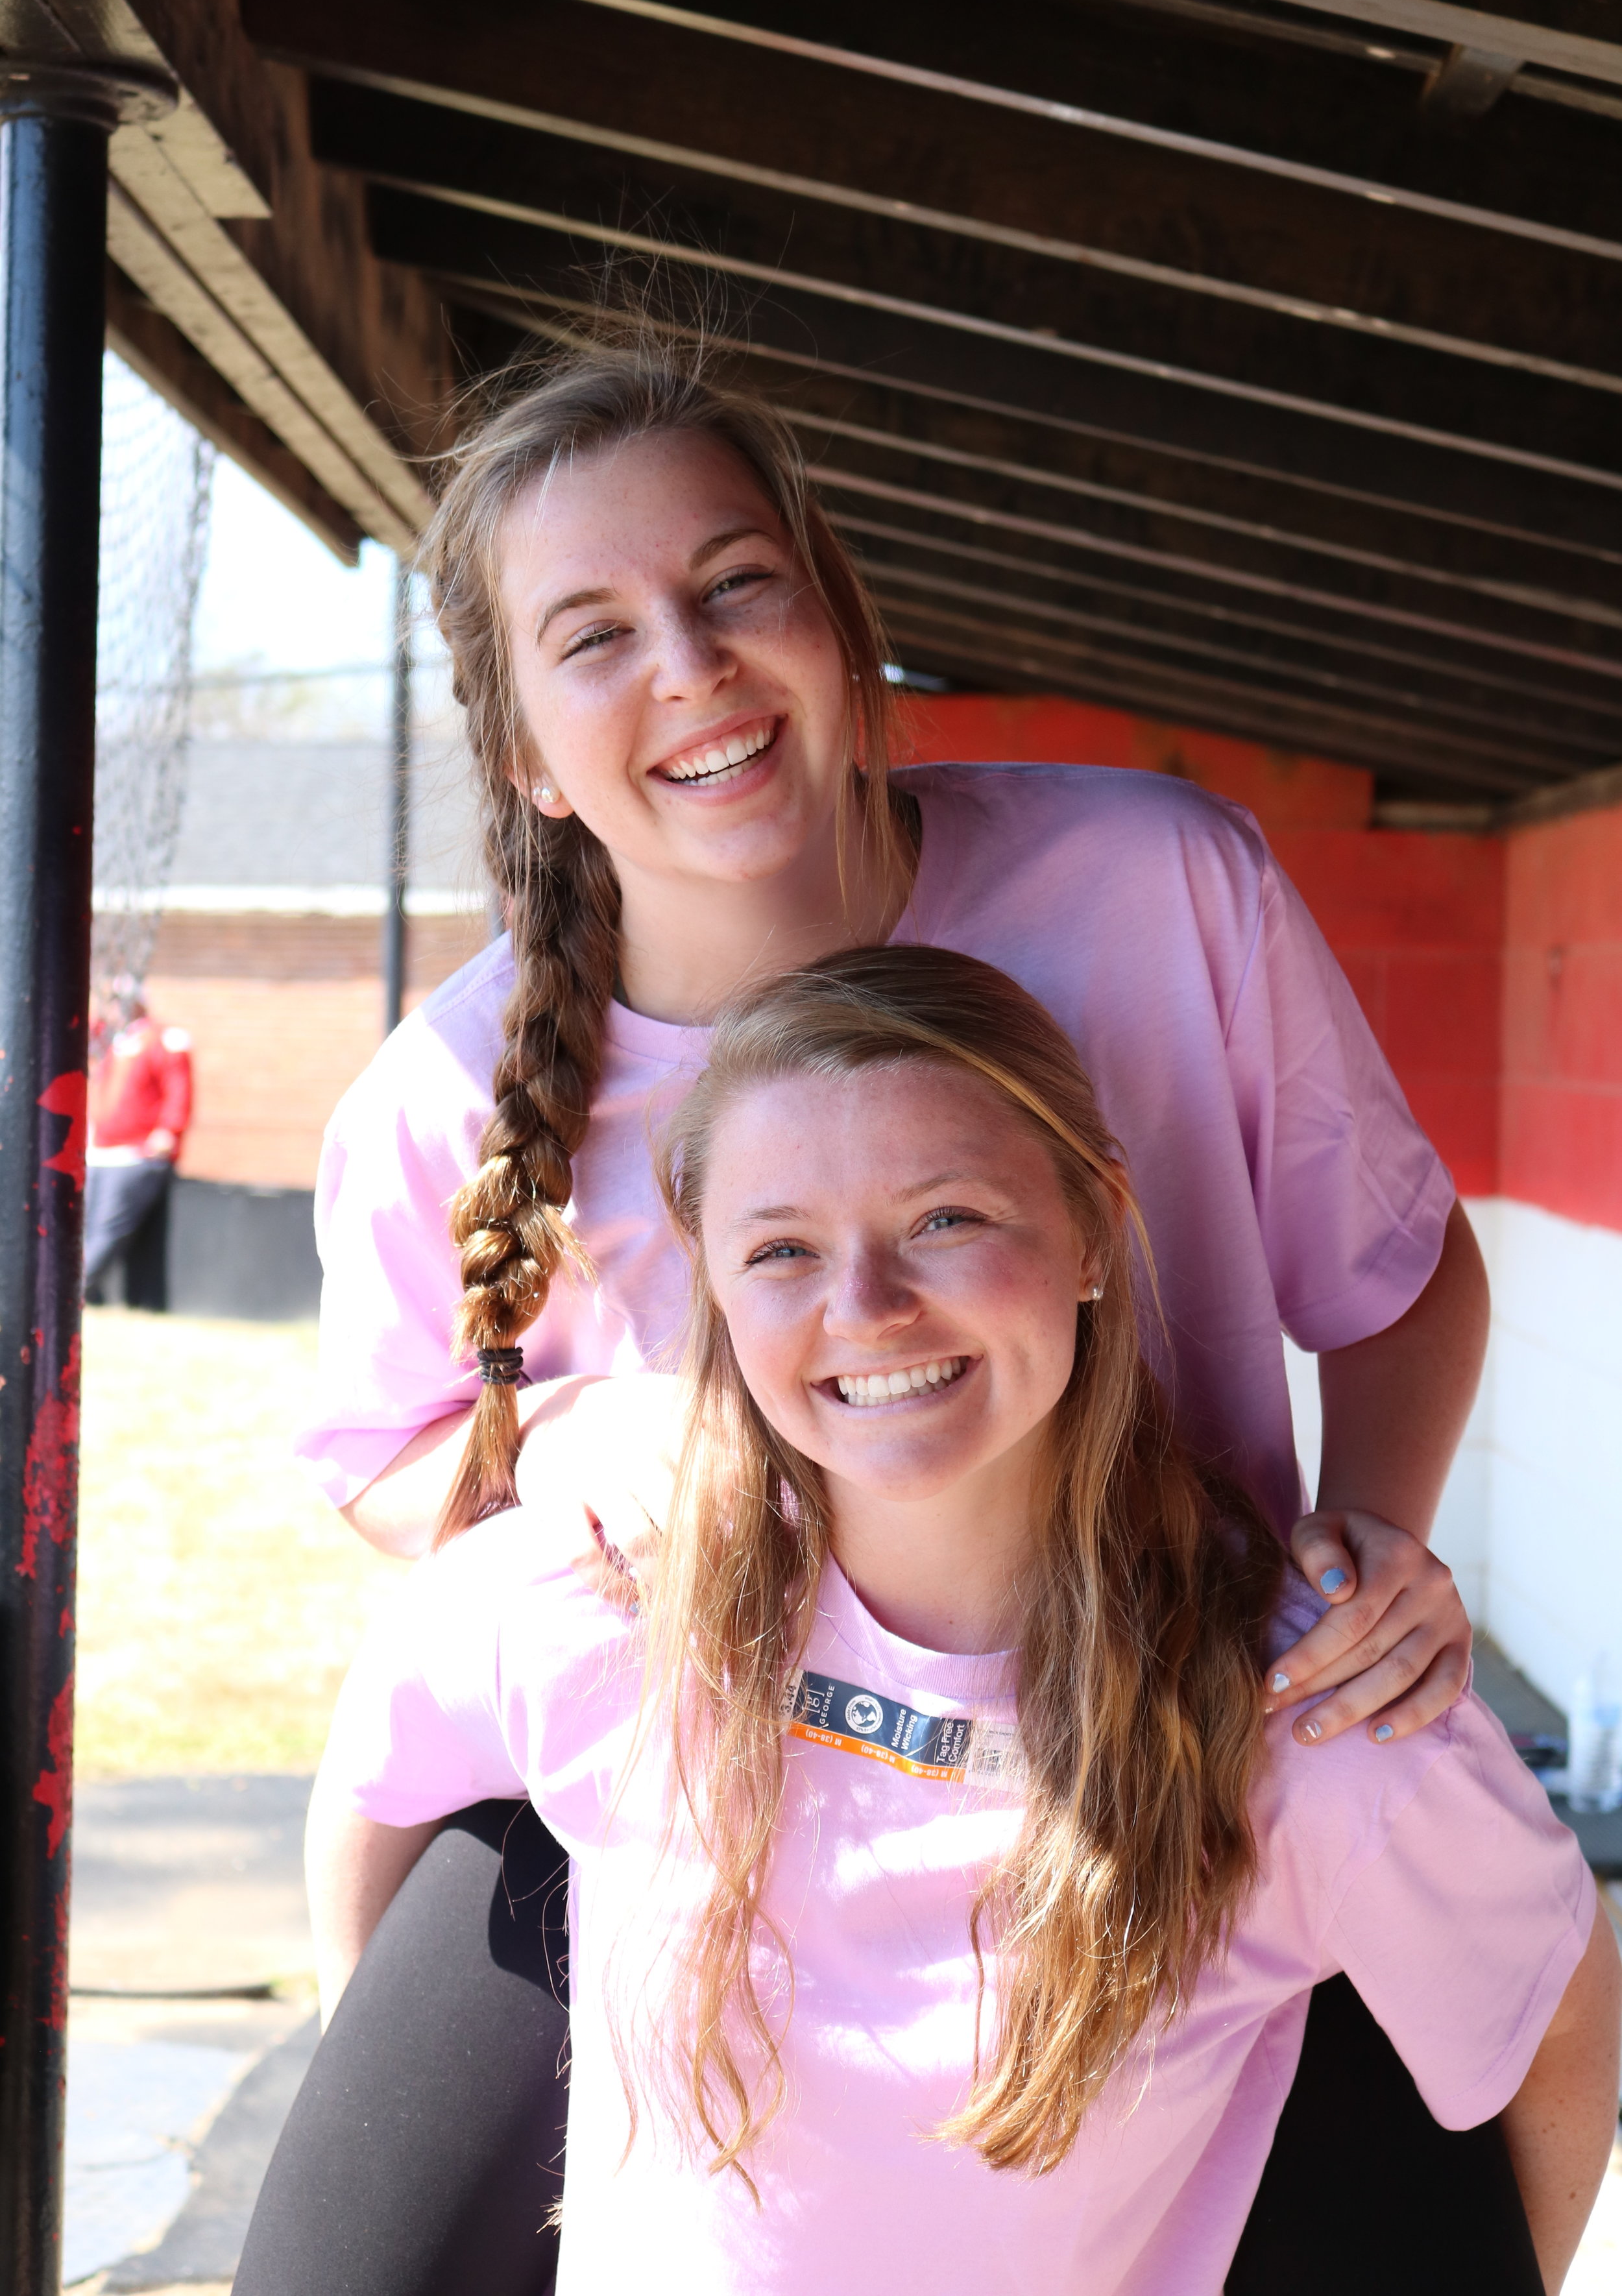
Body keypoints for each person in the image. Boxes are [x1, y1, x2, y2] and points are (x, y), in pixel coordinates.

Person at [238, 341, 1494, 2295]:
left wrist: (1375, 1541)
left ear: (833, 611)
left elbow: (1398, 1278)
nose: (689, 660)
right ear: (518, 748)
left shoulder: (1154, 885)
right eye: (593, 633)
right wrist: (588, 1461)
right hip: (697, 1808)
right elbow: (395, 1464)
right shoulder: (442, 1091)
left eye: (735, 581)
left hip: (1152, 1768)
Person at [302, 949, 1618, 2296]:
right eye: (781, 1250)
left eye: (945, 1221)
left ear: (1093, 1230)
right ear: (712, 1286)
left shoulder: (1307, 1709)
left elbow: (1558, 2012)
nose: (864, 1307)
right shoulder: (588, 1600)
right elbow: (377, 1799)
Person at [83, 980, 192, 1303]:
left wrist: (169, 1131)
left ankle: (70, 1293)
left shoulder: (162, 1039)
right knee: (86, 1229)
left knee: (107, 1232)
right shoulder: (112, 1041)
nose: (115, 1007)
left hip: (135, 1154)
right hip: (100, 1152)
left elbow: (178, 1090)